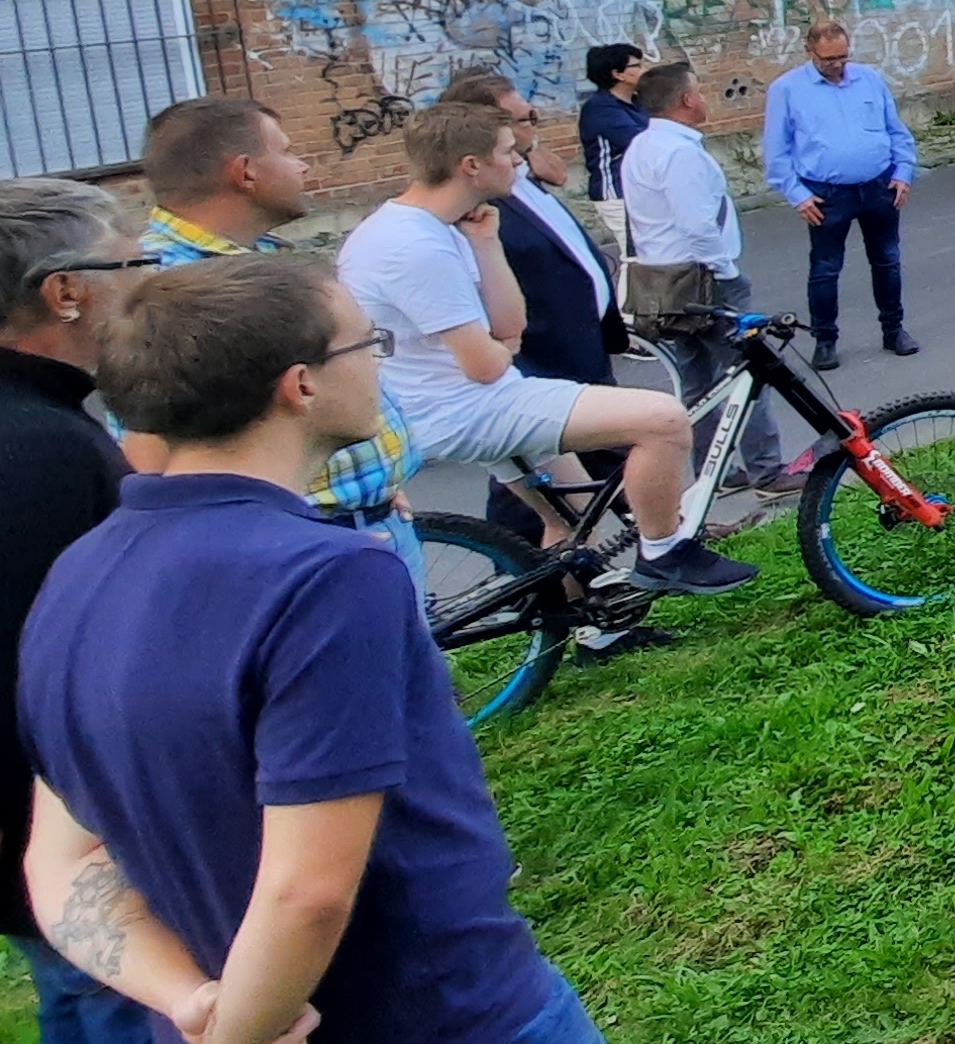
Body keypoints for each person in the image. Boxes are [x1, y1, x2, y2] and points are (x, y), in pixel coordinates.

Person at [25, 253, 610, 1043]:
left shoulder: (76, 572)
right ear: (300, 385)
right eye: (368, 344)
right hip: (442, 1016)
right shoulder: (331, 578)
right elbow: (308, 891)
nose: (378, 363)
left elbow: (61, 864)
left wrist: (194, 1001)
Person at [345, 101, 754, 593]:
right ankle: (666, 551)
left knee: (573, 520)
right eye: (505, 151)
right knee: (663, 421)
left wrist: (487, 243)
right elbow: (485, 365)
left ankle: (593, 629)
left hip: (471, 400)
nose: (518, 160)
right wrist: (503, 346)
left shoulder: (445, 227)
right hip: (463, 409)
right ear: (470, 166)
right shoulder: (412, 246)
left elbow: (508, 323)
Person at [132, 96, 426, 570]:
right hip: (299, 546)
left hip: (363, 522)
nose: (303, 165)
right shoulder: (168, 284)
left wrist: (380, 479)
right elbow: (154, 448)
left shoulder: (250, 259)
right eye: (287, 152)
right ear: (245, 171)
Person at [0, 179, 159, 1044]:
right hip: (65, 835)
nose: (148, 283)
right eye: (134, 263)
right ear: (66, 292)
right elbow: (59, 665)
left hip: (43, 835)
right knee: (108, 1002)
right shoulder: (43, 450)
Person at [617, 63, 788, 489]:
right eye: (698, 91)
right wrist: (726, 270)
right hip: (705, 280)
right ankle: (766, 468)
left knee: (695, 383)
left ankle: (715, 470)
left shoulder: (642, 146)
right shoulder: (680, 153)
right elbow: (696, 224)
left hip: (665, 280)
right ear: (687, 100)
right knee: (748, 372)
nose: (704, 98)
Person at [434, 71, 626, 388]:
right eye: (525, 119)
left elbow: (558, 178)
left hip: (587, 346)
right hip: (547, 363)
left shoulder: (520, 174)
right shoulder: (478, 204)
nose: (533, 125)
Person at [762, 19, 917, 369]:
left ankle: (894, 329)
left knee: (887, 260)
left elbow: (897, 130)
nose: (836, 65)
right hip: (826, 193)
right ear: (810, 51)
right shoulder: (787, 89)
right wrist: (797, 195)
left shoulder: (869, 79)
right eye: (828, 59)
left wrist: (903, 171)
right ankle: (825, 339)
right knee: (825, 269)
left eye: (842, 57)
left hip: (878, 186)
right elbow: (776, 150)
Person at [575, 43, 650, 204]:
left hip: (640, 190)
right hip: (616, 192)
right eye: (637, 66)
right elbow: (640, 141)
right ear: (618, 74)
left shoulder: (638, 101)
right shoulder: (600, 107)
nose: (644, 71)